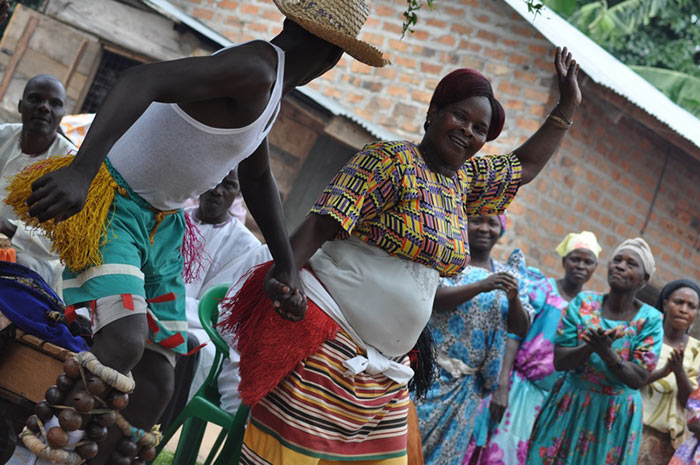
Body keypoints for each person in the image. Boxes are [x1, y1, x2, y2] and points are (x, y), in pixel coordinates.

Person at [6, 2, 387, 465]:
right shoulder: (254, 68)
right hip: (112, 206)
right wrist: (83, 170)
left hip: (162, 227)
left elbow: (258, 176)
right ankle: (28, 460)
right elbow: (138, 81)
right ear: (331, 59)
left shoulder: (268, 89)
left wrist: (286, 264)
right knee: (123, 343)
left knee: (156, 381)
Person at [221, 47, 581, 464]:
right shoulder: (391, 160)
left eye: (480, 128)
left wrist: (566, 106)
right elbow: (323, 223)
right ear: (433, 112)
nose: (468, 131)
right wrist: (286, 275)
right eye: (460, 117)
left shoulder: (462, 183)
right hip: (328, 345)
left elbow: (525, 167)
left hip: (386, 372)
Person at [466, 231, 601, 464]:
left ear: (595, 267)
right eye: (575, 259)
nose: (580, 266)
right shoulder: (542, 289)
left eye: (588, 261)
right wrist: (502, 385)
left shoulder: (590, 310)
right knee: (493, 450)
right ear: (563, 261)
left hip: (549, 400)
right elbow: (514, 335)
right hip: (516, 387)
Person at [526, 237, 663, 465]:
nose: (620, 266)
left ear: (644, 279)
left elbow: (638, 377)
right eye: (616, 260)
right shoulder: (583, 303)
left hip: (613, 416)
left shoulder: (650, 320)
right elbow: (560, 361)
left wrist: (608, 354)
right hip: (570, 403)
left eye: (631, 264)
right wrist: (591, 346)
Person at [416, 213, 534, 465]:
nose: (484, 228)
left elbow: (521, 328)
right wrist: (482, 286)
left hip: (466, 389)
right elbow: (434, 299)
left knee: (444, 457)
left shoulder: (509, 273)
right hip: (428, 375)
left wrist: (512, 298)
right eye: (477, 220)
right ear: (464, 224)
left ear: (500, 231)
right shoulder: (452, 261)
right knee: (407, 444)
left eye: (492, 223)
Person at [159, 169, 261, 428]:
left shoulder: (246, 245)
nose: (217, 190)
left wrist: (163, 306)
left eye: (228, 186)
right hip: (152, 305)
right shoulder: (171, 220)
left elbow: (214, 306)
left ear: (238, 193)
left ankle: (158, 426)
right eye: (214, 181)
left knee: (190, 346)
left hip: (201, 327)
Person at [0, 75, 75, 292]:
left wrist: (8, 227)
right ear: (21, 106)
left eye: (55, 103)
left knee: (23, 265)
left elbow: (61, 243)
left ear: (62, 114)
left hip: (34, 261)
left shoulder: (71, 165)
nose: (44, 107)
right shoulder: (3, 136)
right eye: (35, 99)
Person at [638, 279, 700, 465]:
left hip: (668, 444)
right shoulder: (646, 337)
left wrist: (679, 371)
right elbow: (628, 379)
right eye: (678, 302)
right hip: (630, 427)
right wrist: (664, 372)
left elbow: (693, 405)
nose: (684, 309)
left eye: (691, 306)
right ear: (665, 303)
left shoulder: (697, 351)